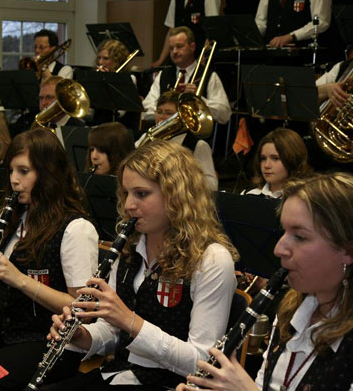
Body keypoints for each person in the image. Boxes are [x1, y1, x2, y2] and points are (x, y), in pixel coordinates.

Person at [44, 140, 238, 390]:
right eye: (126, 193)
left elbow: (200, 362)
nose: (128, 205)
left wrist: (130, 321)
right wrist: (84, 336)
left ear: (176, 195)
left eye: (141, 194)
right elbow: (113, 331)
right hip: (118, 374)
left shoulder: (211, 260)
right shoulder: (128, 247)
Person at [177, 172, 353, 391]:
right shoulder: (291, 309)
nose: (278, 249)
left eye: (300, 237)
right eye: (284, 231)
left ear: (347, 250)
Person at [0, 129, 99, 390]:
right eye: (11, 171)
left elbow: (83, 310)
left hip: (52, 342)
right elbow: (4, 291)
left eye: (23, 171)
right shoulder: (17, 218)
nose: (14, 180)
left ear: (48, 174)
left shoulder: (76, 229)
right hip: (6, 332)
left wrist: (19, 279)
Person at [143, 26, 231, 125]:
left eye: (179, 46)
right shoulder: (163, 75)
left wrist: (199, 100)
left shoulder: (209, 76)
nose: (175, 51)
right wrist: (165, 111)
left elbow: (224, 114)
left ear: (192, 47)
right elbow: (146, 109)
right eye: (171, 48)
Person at [136, 90, 218, 190]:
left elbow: (212, 184)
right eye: (159, 112)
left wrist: (184, 178)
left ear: (183, 115)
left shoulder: (199, 145)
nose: (161, 117)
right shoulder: (147, 137)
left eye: (168, 113)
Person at [151, 0, 221, 68]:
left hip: (199, 58)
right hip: (179, 60)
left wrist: (204, 55)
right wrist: (161, 60)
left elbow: (212, 31)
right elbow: (171, 30)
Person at [255, 0, 334, 49]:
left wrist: (292, 36)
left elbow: (320, 21)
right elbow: (261, 23)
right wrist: (250, 35)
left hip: (306, 52)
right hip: (273, 53)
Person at [243, 128, 312, 198]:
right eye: (263, 158)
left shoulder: (307, 199)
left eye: (275, 158)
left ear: (293, 160)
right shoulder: (247, 195)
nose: (266, 165)